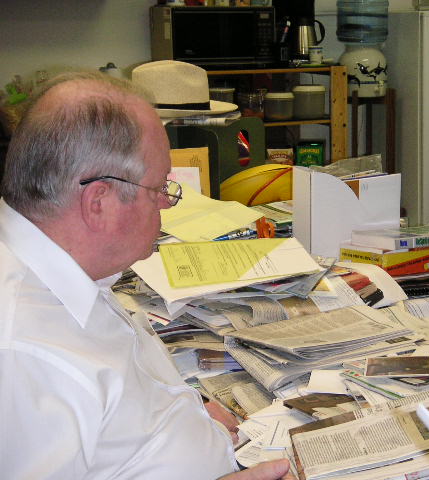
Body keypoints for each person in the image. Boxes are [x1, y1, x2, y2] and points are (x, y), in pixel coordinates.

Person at [0, 71, 293, 480]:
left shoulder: (63, 266)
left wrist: (187, 416)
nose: (165, 206)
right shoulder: (24, 352)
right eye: (158, 190)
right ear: (98, 201)